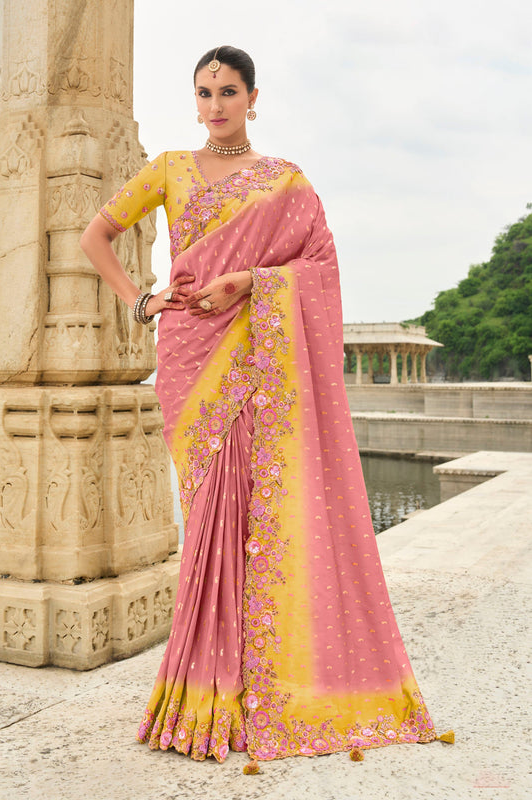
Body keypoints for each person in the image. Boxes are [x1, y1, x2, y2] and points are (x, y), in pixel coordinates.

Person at [81, 45, 451, 771]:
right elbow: (97, 237)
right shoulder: (169, 169)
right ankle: (204, 690)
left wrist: (251, 280)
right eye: (203, 92)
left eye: (228, 91)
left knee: (265, 518)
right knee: (209, 521)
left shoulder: (286, 181)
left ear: (253, 97)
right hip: (191, 361)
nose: (214, 105)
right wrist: (142, 301)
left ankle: (262, 690)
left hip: (258, 355)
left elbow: (318, 268)